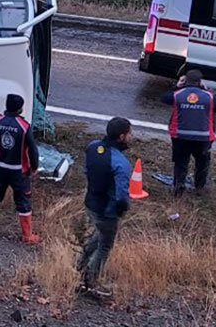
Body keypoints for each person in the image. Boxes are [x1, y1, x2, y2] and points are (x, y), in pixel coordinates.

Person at [78, 117, 134, 299]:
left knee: (99, 233)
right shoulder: (121, 163)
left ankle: (79, 265)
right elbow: (121, 195)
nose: (131, 136)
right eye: (129, 133)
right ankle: (89, 280)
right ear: (121, 136)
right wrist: (121, 210)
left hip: (91, 203)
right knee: (105, 245)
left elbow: (86, 171)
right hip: (107, 210)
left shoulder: (93, 146)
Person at [0, 93, 41, 244]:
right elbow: (33, 149)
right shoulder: (24, 127)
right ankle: (27, 235)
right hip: (18, 170)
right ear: (20, 109)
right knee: (23, 200)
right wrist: (34, 167)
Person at [160, 69, 216, 196]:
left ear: (185, 80)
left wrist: (176, 86)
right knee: (202, 162)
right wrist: (207, 90)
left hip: (180, 136)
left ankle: (179, 186)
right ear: (200, 82)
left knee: (180, 162)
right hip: (203, 137)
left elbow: (164, 98)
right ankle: (199, 188)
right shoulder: (208, 96)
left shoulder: (178, 94)